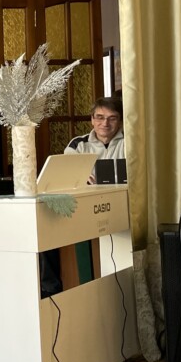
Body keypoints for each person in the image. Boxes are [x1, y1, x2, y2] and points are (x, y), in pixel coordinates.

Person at [41, 96, 126, 296]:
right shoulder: (78, 145)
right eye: (100, 117)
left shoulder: (131, 142)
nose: (105, 123)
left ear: (120, 121)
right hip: (85, 207)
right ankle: (51, 291)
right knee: (46, 228)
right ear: (92, 120)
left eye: (112, 118)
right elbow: (67, 178)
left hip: (120, 206)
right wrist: (78, 177)